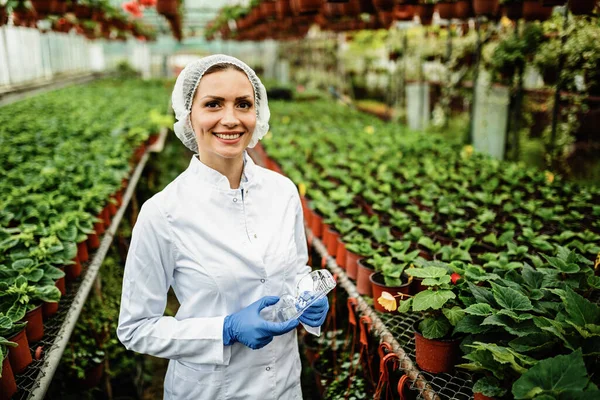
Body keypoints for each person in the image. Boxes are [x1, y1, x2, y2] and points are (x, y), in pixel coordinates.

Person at [116, 54, 329, 400]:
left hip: (285, 384)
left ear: (257, 114)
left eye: (243, 104)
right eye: (213, 104)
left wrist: (308, 297)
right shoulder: (163, 213)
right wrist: (224, 330)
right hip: (210, 390)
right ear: (189, 115)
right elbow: (136, 328)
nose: (230, 119)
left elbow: (294, 269)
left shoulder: (282, 191)